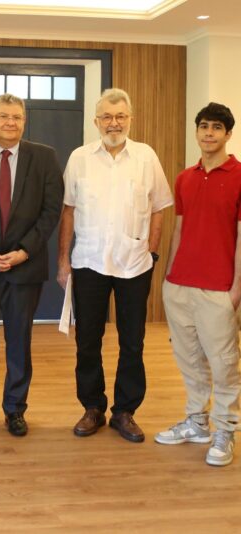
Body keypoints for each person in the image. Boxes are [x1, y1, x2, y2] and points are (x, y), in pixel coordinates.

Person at [58, 88, 172, 442]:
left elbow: (159, 207)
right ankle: (93, 407)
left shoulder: (145, 157)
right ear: (96, 121)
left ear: (130, 119)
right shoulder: (79, 157)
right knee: (88, 340)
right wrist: (63, 260)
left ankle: (124, 411)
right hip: (89, 261)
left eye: (120, 116)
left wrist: (151, 252)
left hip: (134, 264)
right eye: (107, 116)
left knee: (133, 341)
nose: (114, 123)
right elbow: (68, 210)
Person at [0, 93, 63, 437]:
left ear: (24, 121)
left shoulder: (44, 157)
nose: (11, 123)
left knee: (19, 340)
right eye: (4, 116)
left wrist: (23, 252)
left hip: (24, 266)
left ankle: (15, 410)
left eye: (17, 117)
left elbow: (50, 212)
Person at [155, 102, 241, 466]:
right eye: (204, 126)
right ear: (197, 131)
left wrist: (236, 288)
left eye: (217, 128)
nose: (209, 133)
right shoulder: (185, 177)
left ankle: (225, 429)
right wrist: (169, 277)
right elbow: (179, 229)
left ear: (227, 134)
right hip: (180, 284)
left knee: (223, 363)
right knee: (189, 360)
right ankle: (196, 421)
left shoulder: (239, 175)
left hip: (218, 287)